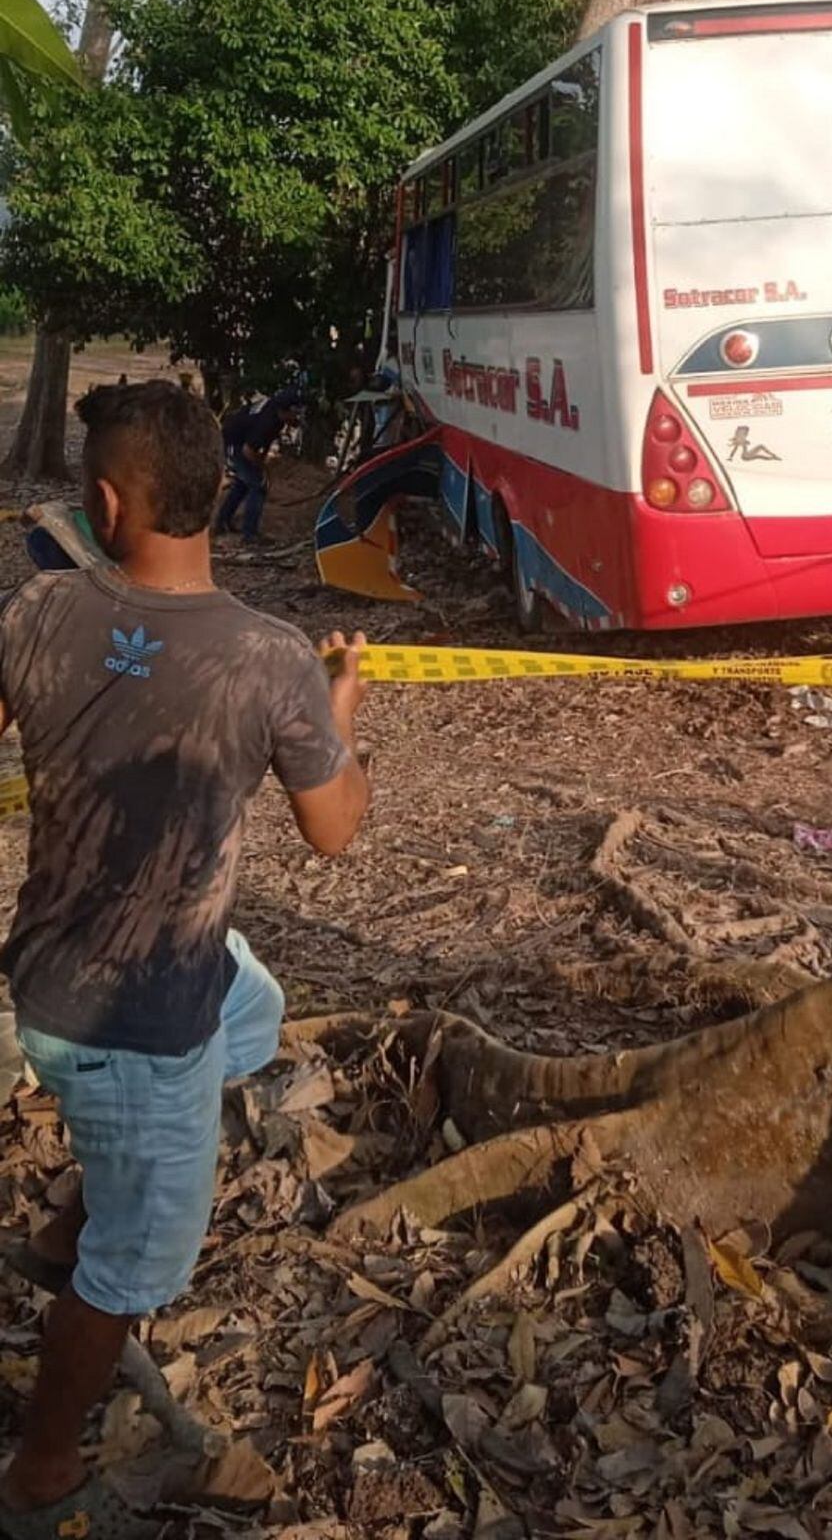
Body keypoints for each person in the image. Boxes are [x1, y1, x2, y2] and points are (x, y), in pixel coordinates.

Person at [0, 380, 369, 1540]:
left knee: (249, 1008)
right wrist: (338, 709)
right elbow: (335, 828)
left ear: (108, 502)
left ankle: (67, 1223)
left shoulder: (32, 611)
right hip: (138, 1027)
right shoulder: (269, 661)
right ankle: (44, 1466)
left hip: (59, 981)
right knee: (134, 1270)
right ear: (217, 490)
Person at [214, 383, 304, 543]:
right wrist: (263, 470)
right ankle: (250, 534)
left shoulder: (277, 416)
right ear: (285, 410)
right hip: (233, 444)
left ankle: (222, 522)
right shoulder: (267, 421)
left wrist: (261, 464)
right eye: (295, 413)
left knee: (243, 484)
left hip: (239, 442)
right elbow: (248, 451)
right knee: (257, 485)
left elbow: (263, 444)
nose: (297, 417)